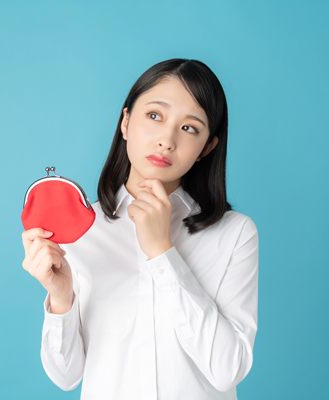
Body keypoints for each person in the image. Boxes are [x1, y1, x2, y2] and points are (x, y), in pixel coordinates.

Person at [21, 58, 259, 400]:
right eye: (154, 116)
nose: (166, 140)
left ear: (207, 147)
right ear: (126, 121)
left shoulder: (234, 234)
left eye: (189, 128)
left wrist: (162, 252)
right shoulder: (83, 229)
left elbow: (227, 371)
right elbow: (65, 377)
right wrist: (61, 299)